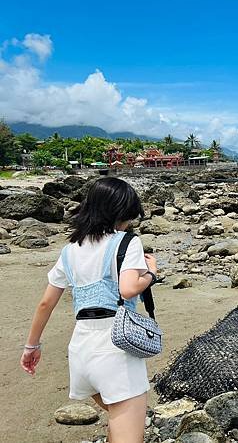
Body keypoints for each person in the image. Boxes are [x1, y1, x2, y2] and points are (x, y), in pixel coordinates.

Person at [20, 177, 157, 442]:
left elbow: (46, 303)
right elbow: (129, 288)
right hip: (116, 349)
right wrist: (151, 273)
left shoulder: (70, 250)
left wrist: (31, 347)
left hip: (82, 349)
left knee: (117, 422)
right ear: (121, 211)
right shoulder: (127, 242)